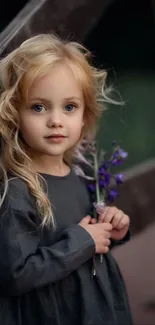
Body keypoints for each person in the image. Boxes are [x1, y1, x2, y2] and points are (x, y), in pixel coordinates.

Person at [0, 33, 132, 325]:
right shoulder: (19, 191)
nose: (56, 120)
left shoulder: (79, 174)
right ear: (14, 114)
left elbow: (90, 236)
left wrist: (111, 230)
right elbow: (14, 275)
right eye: (38, 107)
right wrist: (81, 242)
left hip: (92, 307)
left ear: (84, 115)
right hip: (52, 313)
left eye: (69, 107)